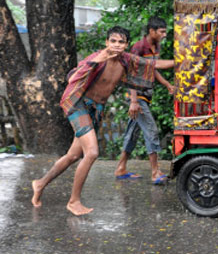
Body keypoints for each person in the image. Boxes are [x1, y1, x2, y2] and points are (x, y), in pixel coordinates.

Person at [31, 26, 174, 215]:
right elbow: (73, 78)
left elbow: (153, 64)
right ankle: (74, 201)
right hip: (78, 105)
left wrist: (181, 61)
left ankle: (40, 184)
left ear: (126, 45)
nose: (116, 45)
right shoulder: (96, 59)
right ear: (107, 42)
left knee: (73, 156)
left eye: (121, 42)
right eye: (113, 41)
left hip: (96, 110)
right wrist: (93, 62)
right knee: (91, 153)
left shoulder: (126, 60)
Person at [114, 17, 174, 185]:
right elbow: (130, 74)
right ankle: (155, 172)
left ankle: (121, 168)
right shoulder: (139, 47)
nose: (164, 34)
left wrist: (167, 84)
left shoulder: (156, 47)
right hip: (137, 97)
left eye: (165, 31)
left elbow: (151, 69)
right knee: (151, 131)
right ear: (152, 31)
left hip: (145, 96)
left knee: (133, 133)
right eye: (161, 32)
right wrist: (133, 101)